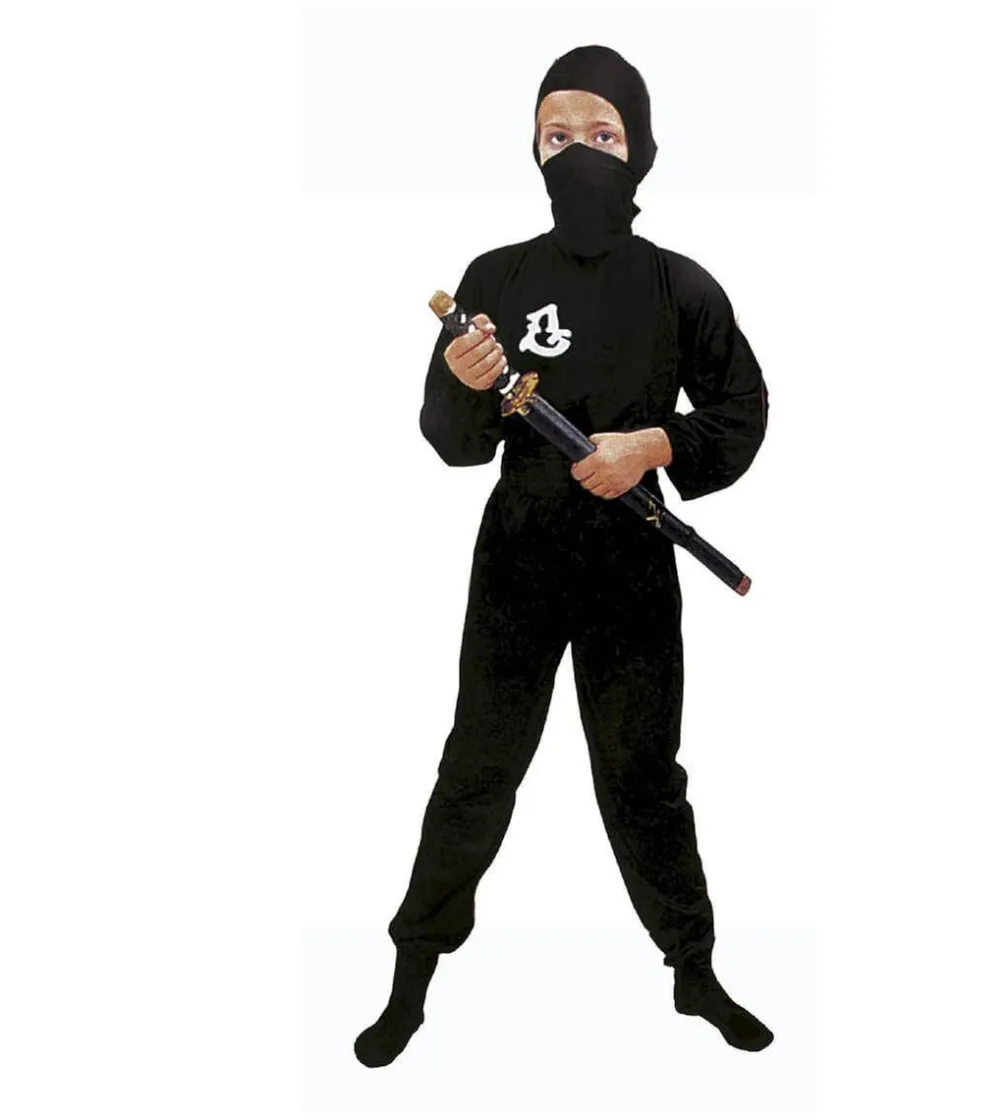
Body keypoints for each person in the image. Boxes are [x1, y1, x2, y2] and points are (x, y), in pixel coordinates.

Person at [354, 44, 771, 1067]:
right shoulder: (495, 277)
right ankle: (413, 967)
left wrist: (653, 444)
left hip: (633, 553)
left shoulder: (680, 285)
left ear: (640, 149)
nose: (578, 151)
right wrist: (462, 383)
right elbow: (454, 442)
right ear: (532, 151)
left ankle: (693, 966)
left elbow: (741, 409)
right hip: (521, 552)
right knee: (479, 763)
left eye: (602, 134)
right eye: (556, 135)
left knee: (642, 774)